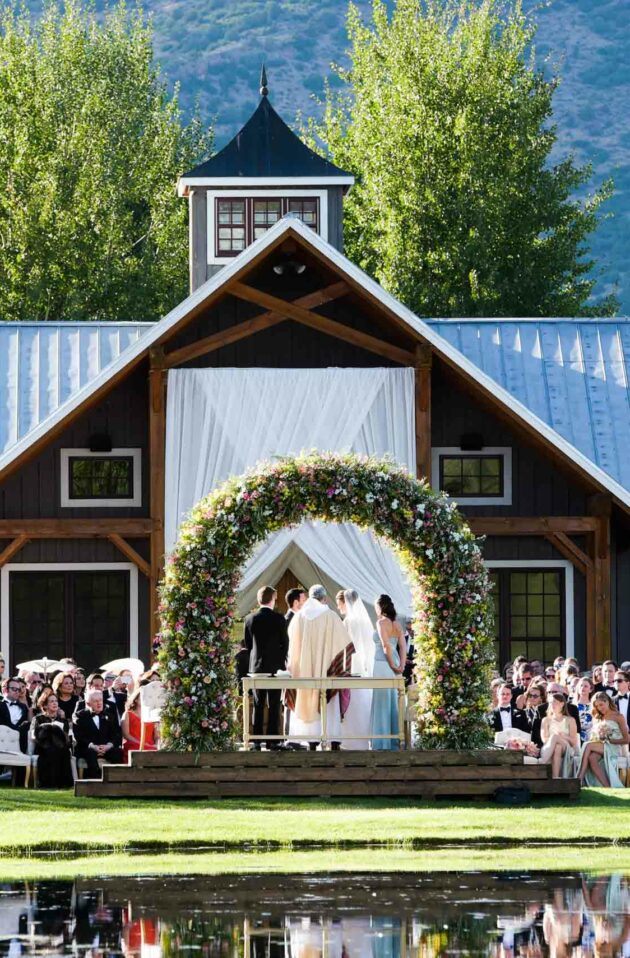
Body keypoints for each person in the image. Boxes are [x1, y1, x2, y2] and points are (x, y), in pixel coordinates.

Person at [287, 584, 354, 750]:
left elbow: (292, 644)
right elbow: (344, 644)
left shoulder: (299, 617)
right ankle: (333, 739)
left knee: (307, 698)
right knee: (328, 704)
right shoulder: (330, 616)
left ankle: (311, 740)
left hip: (304, 672)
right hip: (326, 670)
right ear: (324, 599)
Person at [243, 585, 289, 750]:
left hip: (256, 668)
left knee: (258, 703)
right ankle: (272, 740)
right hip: (275, 668)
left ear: (259, 599)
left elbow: (248, 644)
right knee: (274, 704)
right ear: (273, 598)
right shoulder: (279, 619)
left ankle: (256, 741)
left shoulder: (249, 619)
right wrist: (281, 661)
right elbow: (285, 644)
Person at [337, 589, 374, 750]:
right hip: (364, 668)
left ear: (345, 603)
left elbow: (343, 647)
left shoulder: (347, 622)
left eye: (339, 605)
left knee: (351, 701)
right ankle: (365, 738)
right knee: (363, 701)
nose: (339, 608)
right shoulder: (366, 621)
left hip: (350, 667)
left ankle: (350, 740)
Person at [370, 593, 406, 751]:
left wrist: (392, 665)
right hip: (396, 663)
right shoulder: (397, 624)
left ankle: (381, 742)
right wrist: (401, 665)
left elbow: (385, 646)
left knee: (382, 701)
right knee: (394, 701)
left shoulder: (381, 622)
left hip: (382, 664)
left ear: (380, 606)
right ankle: (395, 741)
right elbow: (403, 647)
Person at [577, 691, 629, 787]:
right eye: (597, 706)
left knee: (587, 745)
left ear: (607, 702)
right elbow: (595, 737)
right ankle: (607, 786)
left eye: (601, 704)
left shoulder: (619, 716)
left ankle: (580, 778)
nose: (600, 708)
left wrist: (610, 740)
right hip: (602, 745)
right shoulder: (599, 717)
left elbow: (626, 740)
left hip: (614, 747)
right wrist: (599, 736)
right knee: (592, 758)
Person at [73, 689, 123, 779]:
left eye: (100, 700)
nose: (99, 703)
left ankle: (117, 780)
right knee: (90, 753)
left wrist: (109, 745)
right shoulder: (80, 716)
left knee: (118, 753)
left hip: (106, 747)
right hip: (88, 748)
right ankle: (95, 782)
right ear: (88, 703)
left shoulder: (109, 715)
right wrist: (93, 746)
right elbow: (79, 736)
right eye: (96, 701)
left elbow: (117, 734)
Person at [29, 688, 74, 788]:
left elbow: (68, 738)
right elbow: (33, 735)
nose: (55, 703)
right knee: (51, 750)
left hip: (60, 747)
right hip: (44, 746)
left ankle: (64, 783)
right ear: (45, 705)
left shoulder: (63, 721)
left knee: (64, 751)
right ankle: (48, 783)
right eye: (51, 701)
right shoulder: (38, 719)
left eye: (56, 701)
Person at [539, 692, 579, 779]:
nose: (552, 705)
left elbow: (574, 741)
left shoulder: (570, 720)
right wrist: (556, 739)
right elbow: (544, 740)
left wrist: (562, 737)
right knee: (557, 747)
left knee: (555, 737)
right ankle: (555, 777)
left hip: (568, 748)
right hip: (550, 747)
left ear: (562, 704)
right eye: (550, 702)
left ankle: (544, 761)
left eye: (555, 702)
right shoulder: (545, 720)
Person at [121, 688, 157, 760]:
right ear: (136, 700)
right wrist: (142, 744)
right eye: (143, 697)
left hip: (150, 745)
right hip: (133, 745)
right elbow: (126, 735)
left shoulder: (152, 715)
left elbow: (157, 736)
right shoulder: (128, 714)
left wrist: (157, 744)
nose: (146, 699)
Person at [0, 676, 30, 751]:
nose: (17, 691)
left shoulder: (24, 707)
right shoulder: (0, 705)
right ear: (6, 690)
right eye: (14, 689)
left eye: (19, 690)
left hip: (20, 745)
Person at [572, 676, 594, 743]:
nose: (583, 688)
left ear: (591, 689)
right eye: (581, 685)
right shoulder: (572, 705)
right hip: (575, 736)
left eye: (586, 686)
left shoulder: (594, 705)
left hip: (591, 737)